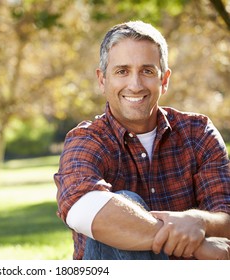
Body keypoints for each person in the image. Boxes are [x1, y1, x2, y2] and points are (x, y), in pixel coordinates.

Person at [54, 21, 230, 260]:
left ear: (164, 80)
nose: (135, 85)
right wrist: (193, 244)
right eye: (122, 71)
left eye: (147, 71)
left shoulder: (197, 133)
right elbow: (82, 208)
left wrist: (198, 220)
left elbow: (225, 215)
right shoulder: (87, 140)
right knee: (124, 203)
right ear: (102, 79)